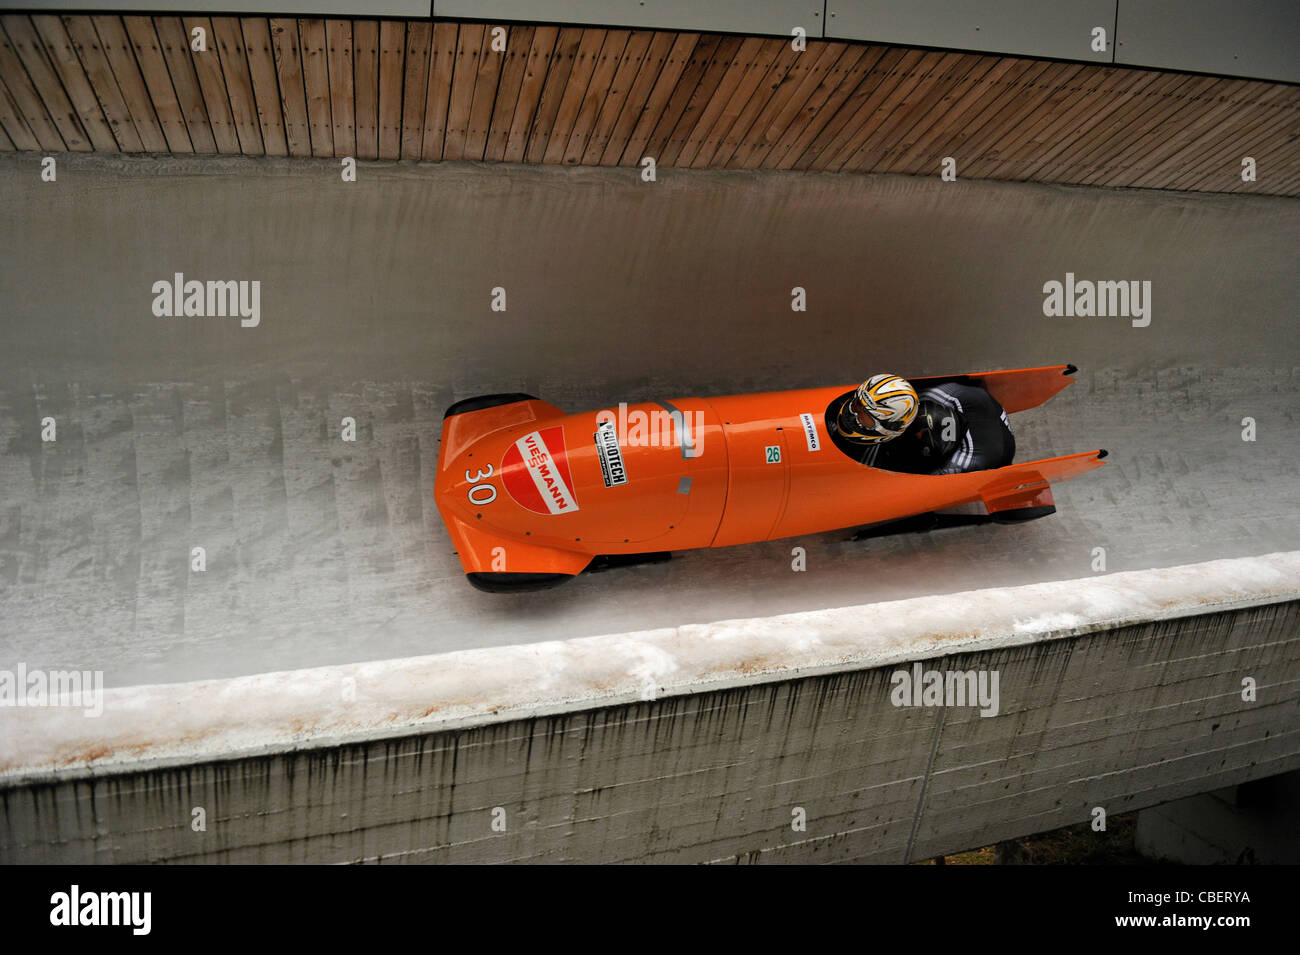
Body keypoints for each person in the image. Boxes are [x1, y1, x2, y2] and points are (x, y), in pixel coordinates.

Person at [831, 374, 1014, 474]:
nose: (852, 416)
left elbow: (927, 485)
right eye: (856, 405)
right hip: (971, 399)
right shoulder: (925, 397)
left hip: (993, 452)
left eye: (864, 417)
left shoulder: (965, 462)